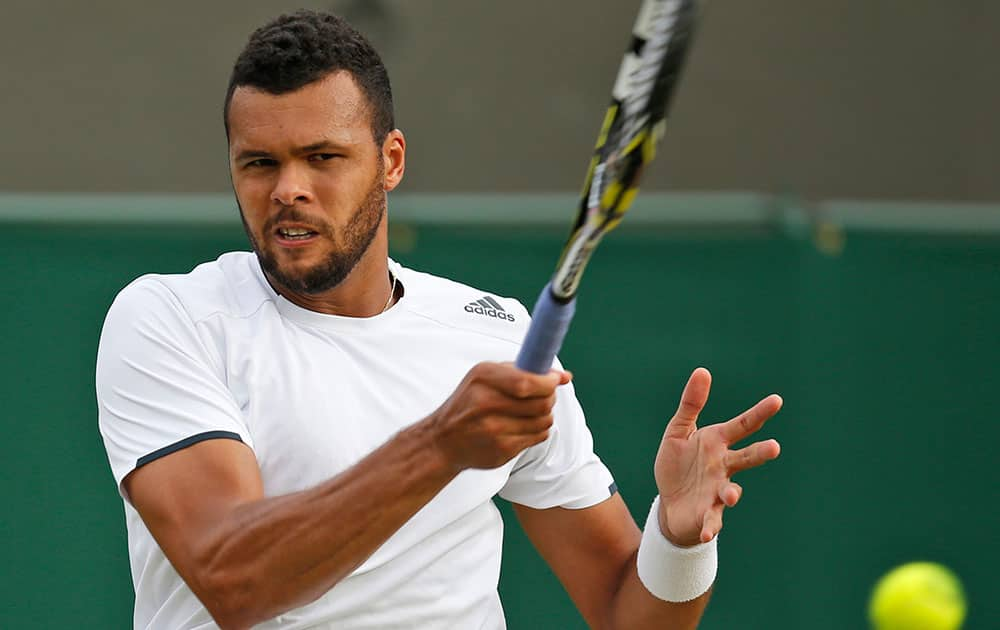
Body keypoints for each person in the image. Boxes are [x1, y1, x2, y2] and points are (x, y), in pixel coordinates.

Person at [97, 10, 783, 630]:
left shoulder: (497, 337)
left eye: (323, 157)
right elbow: (233, 580)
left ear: (390, 160)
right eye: (258, 163)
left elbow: (623, 610)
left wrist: (676, 539)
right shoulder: (170, 319)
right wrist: (440, 447)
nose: (288, 189)